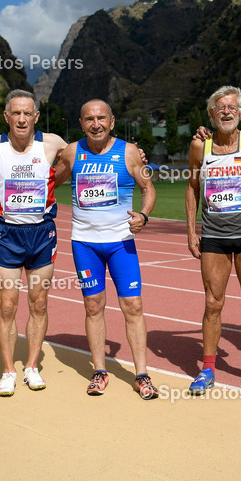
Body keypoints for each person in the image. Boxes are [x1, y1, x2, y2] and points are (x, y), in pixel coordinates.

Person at [0, 90, 68, 397]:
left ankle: (31, 366)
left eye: (27, 113)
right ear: (6, 116)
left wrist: (134, 153)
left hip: (41, 233)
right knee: (7, 305)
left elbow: (85, 152)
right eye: (15, 113)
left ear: (36, 116)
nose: (21, 119)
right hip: (6, 234)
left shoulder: (53, 143)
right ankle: (9, 370)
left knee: (39, 303)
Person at [54, 99, 158, 400]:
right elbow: (51, 181)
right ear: (81, 122)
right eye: (89, 119)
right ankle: (99, 370)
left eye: (101, 118)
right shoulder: (73, 152)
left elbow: (148, 187)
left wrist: (144, 215)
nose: (95, 124)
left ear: (112, 121)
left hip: (121, 244)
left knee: (133, 307)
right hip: (85, 244)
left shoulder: (127, 152)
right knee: (93, 306)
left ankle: (141, 375)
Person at [185, 86, 241, 394]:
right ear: (211, 114)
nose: (226, 112)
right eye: (220, 108)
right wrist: (190, 230)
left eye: (232, 107)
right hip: (214, 236)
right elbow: (192, 187)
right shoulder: (200, 147)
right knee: (213, 303)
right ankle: (208, 369)